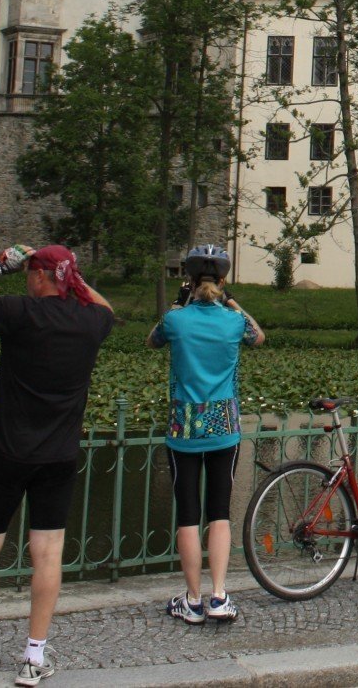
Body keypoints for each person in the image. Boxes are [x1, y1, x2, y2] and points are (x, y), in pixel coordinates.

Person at [0, 245, 115, 687]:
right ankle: (33, 659)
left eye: (28, 274)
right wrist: (70, 274)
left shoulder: (20, 313)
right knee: (48, 555)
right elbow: (105, 306)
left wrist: (0, 264)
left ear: (37, 277)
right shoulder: (90, 322)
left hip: (7, 451)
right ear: (68, 278)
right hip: (57, 456)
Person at [149, 244, 264, 625]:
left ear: (191, 280)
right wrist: (232, 303)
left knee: (187, 514)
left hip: (184, 427)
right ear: (223, 280)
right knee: (219, 513)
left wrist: (180, 303)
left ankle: (192, 600)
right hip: (224, 428)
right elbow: (258, 336)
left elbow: (153, 338)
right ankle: (218, 595)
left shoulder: (176, 320)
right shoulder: (233, 323)